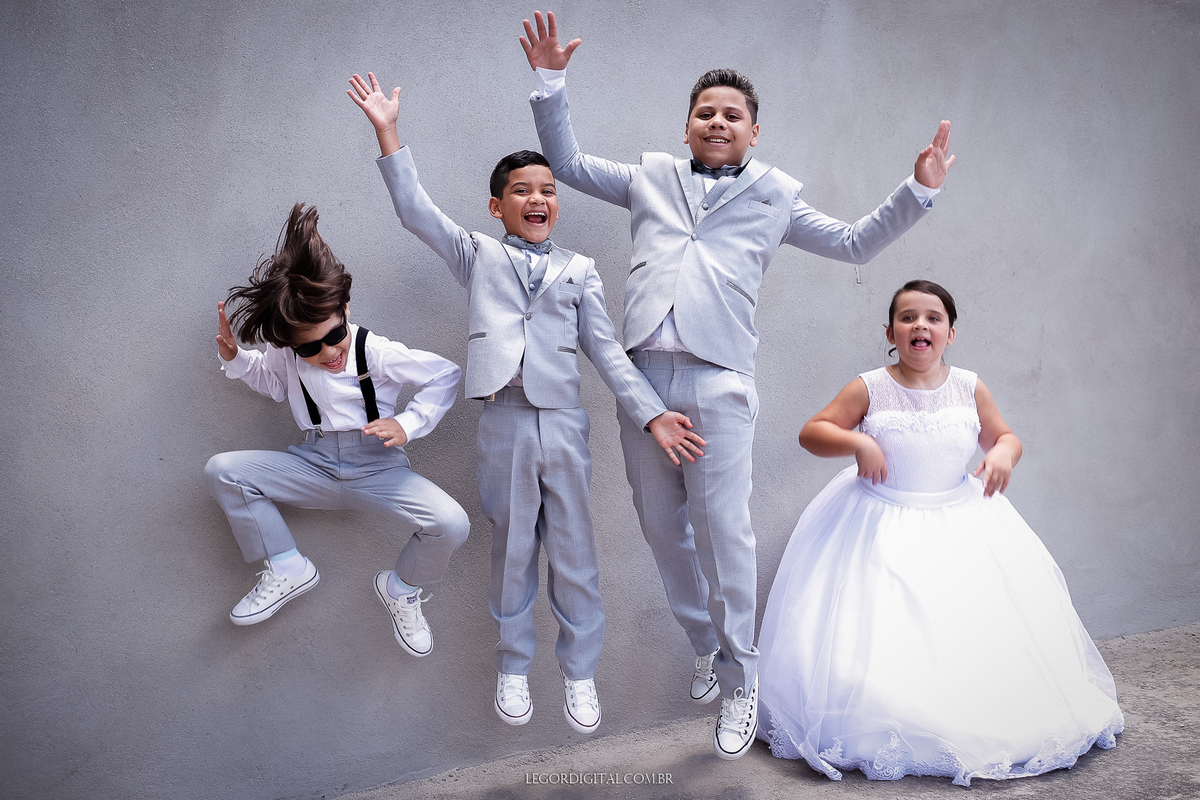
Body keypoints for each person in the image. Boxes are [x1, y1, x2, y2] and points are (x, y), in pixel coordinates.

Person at [519, 10, 955, 758]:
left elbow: (853, 242)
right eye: (705, 112)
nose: (717, 121)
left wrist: (918, 190)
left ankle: (742, 679)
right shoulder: (652, 177)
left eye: (732, 114)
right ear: (687, 126)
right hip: (644, 385)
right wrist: (549, 81)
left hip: (719, 382)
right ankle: (706, 643)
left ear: (754, 131)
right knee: (662, 529)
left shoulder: (776, 193)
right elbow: (568, 161)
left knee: (725, 534)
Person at [347, 72, 705, 734]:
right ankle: (513, 667)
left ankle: (580, 674)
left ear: (556, 204)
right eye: (521, 190)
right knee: (512, 550)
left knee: (575, 553)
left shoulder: (580, 270)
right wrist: (388, 132)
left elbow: (607, 351)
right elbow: (416, 211)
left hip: (564, 425)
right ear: (497, 206)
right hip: (503, 422)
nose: (537, 198)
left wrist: (653, 413)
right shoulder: (477, 255)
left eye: (547, 190)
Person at [756, 279, 1124, 784]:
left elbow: (1006, 436)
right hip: (879, 521)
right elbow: (812, 432)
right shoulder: (870, 386)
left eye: (933, 318)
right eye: (907, 317)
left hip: (959, 520)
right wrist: (857, 443)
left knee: (970, 627)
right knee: (882, 630)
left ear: (951, 333)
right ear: (891, 332)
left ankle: (973, 713)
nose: (920, 326)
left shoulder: (969, 386)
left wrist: (1002, 453)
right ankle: (885, 714)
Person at [205, 203, 469, 661]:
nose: (328, 352)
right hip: (315, 465)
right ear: (290, 343)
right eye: (310, 347)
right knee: (223, 471)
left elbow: (444, 375)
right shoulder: (288, 356)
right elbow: (272, 383)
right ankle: (287, 566)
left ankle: (400, 589)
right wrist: (236, 358)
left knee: (451, 523)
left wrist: (407, 424)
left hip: (378, 470)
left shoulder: (374, 350)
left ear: (345, 309)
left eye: (334, 335)